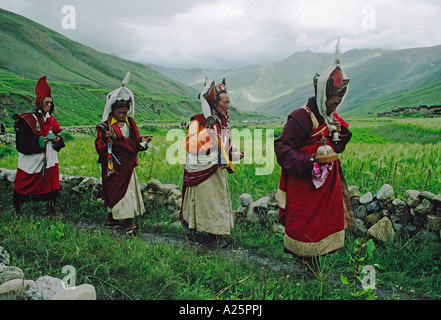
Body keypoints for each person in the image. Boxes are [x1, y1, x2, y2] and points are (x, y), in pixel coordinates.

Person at [274, 49, 355, 276]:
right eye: (332, 102)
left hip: (326, 185)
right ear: (321, 96)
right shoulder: (301, 117)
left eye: (338, 103)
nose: (334, 107)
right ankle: (310, 267)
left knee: (324, 222)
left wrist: (341, 133)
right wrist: (309, 161)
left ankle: (315, 264)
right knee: (307, 222)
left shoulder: (331, 118)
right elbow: (282, 148)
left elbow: (337, 146)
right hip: (305, 183)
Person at [179, 78, 243, 248]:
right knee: (209, 203)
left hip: (217, 170)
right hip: (203, 170)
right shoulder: (198, 121)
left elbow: (224, 143)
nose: (228, 105)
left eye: (229, 102)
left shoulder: (223, 120)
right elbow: (190, 145)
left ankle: (211, 232)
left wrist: (233, 153)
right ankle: (214, 236)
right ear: (214, 103)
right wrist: (208, 133)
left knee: (215, 202)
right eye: (225, 102)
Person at [95, 72, 152, 235]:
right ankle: (113, 219)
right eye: (119, 112)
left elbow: (135, 141)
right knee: (113, 190)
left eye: (125, 112)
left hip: (127, 165)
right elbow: (99, 147)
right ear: (112, 111)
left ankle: (128, 221)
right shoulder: (104, 127)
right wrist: (107, 140)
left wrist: (143, 140)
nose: (122, 115)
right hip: (113, 165)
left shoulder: (130, 122)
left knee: (126, 192)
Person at [12, 76, 65, 217]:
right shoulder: (27, 119)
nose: (48, 105)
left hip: (49, 158)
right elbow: (21, 144)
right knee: (24, 181)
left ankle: (52, 209)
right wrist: (41, 141)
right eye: (46, 102)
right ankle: (17, 207)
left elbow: (58, 138)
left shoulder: (52, 119)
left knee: (50, 181)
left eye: (50, 102)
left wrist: (57, 141)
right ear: (39, 102)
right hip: (32, 159)